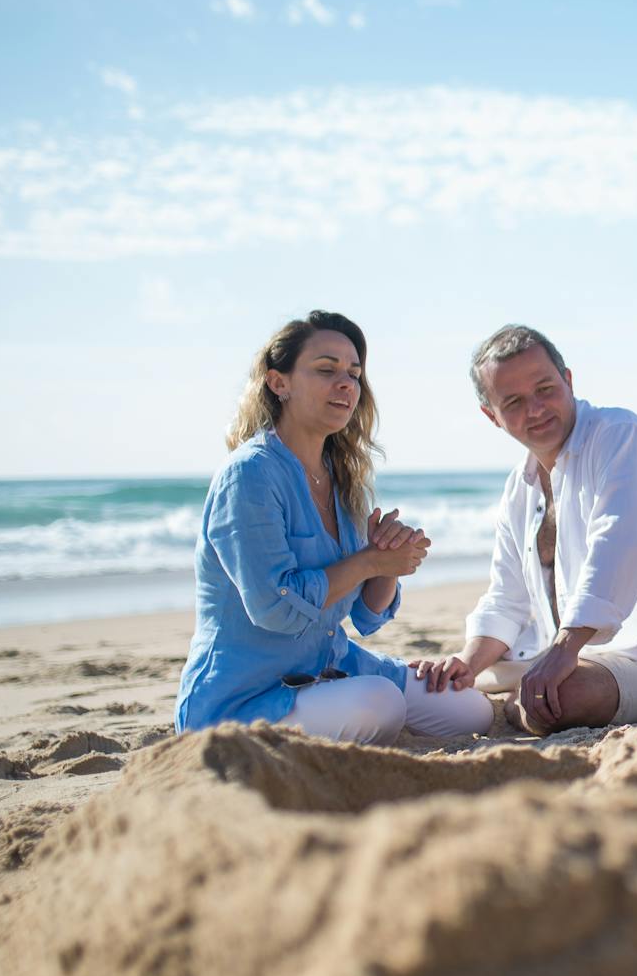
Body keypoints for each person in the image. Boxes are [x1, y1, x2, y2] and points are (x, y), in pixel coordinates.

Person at [174, 311, 492, 744]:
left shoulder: (344, 477)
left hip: (329, 670)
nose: (346, 384)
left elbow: (366, 614)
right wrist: (367, 561)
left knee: (470, 711)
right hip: (244, 699)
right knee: (379, 703)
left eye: (354, 373)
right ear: (278, 382)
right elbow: (275, 608)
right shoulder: (249, 476)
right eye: (326, 370)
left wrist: (387, 564)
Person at [410, 325, 637, 735]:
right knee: (438, 682)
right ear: (491, 416)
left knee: (554, 701)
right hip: (558, 655)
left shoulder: (619, 435)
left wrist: (564, 649)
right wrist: (467, 662)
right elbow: (507, 597)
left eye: (545, 389)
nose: (535, 409)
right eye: (513, 401)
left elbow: (615, 546)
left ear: (568, 381)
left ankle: (516, 695)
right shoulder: (520, 485)